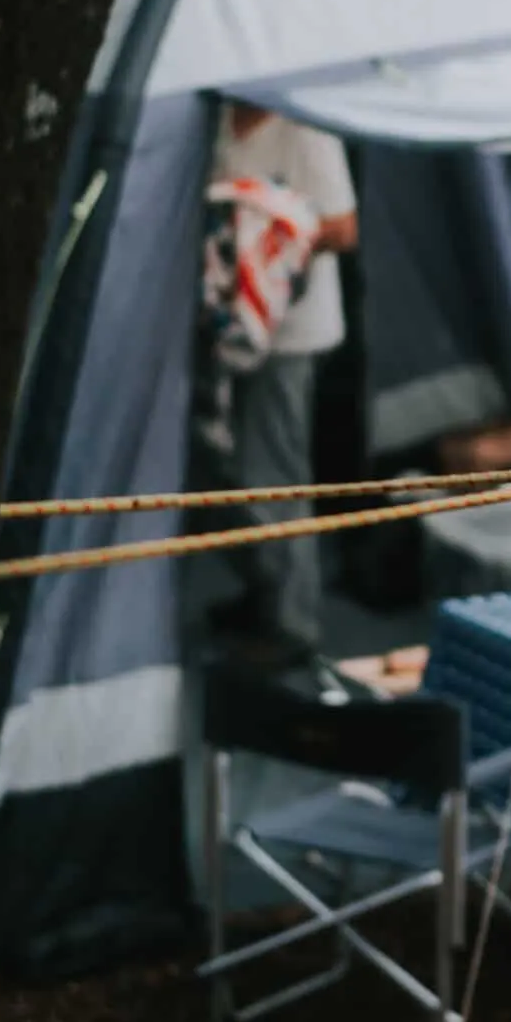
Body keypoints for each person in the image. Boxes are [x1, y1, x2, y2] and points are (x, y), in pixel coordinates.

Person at [206, 101, 357, 661]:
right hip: (232, 323)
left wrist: (266, 229)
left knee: (272, 471)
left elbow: (343, 227)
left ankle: (292, 624)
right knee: (226, 465)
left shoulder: (305, 126)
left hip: (291, 329)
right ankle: (264, 591)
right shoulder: (219, 118)